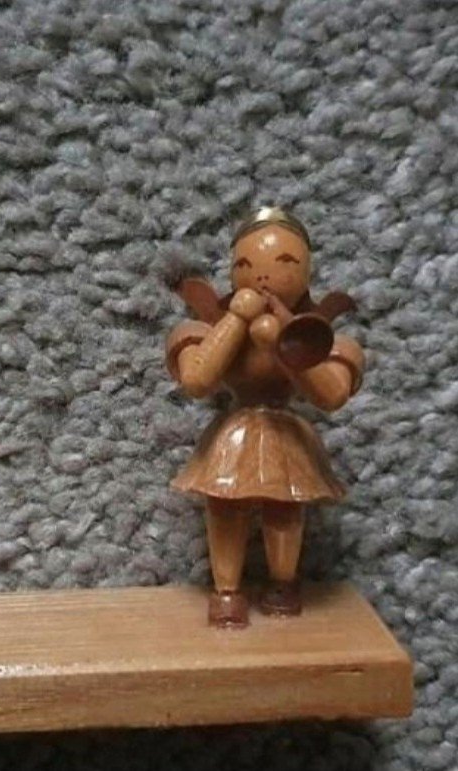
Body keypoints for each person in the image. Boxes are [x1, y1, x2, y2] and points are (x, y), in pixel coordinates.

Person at [166, 206, 364, 628]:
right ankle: (226, 591)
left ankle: (283, 585)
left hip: (285, 431)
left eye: (284, 262)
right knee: (224, 505)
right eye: (244, 265)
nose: (261, 275)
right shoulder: (208, 326)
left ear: (306, 274)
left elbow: (331, 394)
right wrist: (236, 319)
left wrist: (285, 345)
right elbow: (197, 380)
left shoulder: (324, 335)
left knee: (285, 506)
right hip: (234, 432)